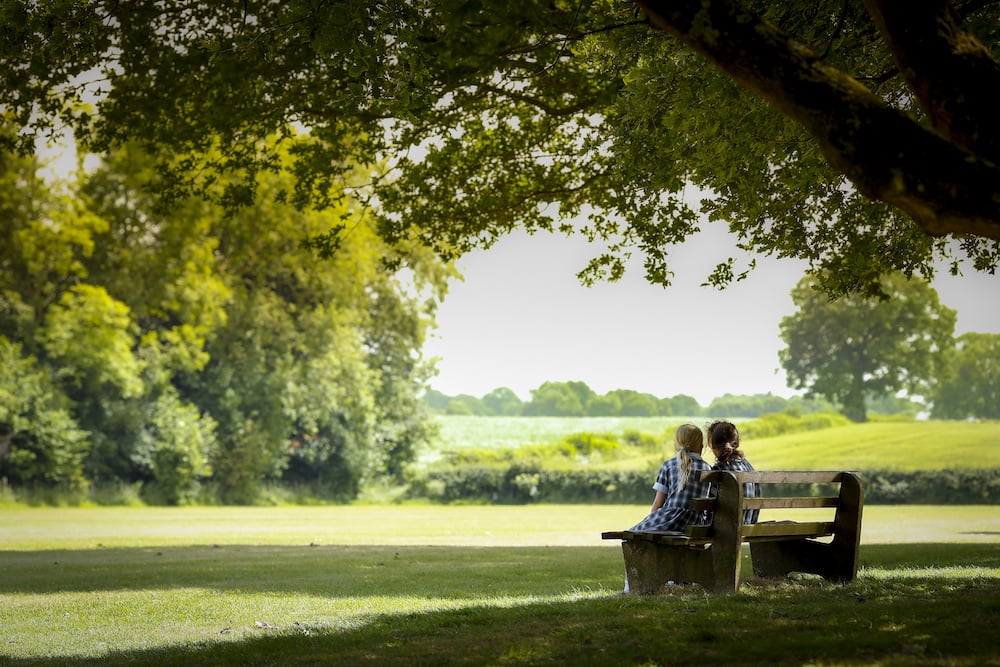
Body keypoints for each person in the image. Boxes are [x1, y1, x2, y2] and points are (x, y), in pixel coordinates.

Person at [628, 423, 712, 532]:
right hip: (696, 524)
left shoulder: (669, 465)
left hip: (670, 520)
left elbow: (658, 502)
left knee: (631, 533)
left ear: (676, 445)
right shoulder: (708, 468)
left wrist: (650, 521)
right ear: (701, 447)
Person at [706, 420, 761, 524]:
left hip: (725, 528)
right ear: (736, 443)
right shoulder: (748, 467)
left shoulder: (719, 469)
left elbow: (709, 505)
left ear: (712, 445)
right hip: (748, 525)